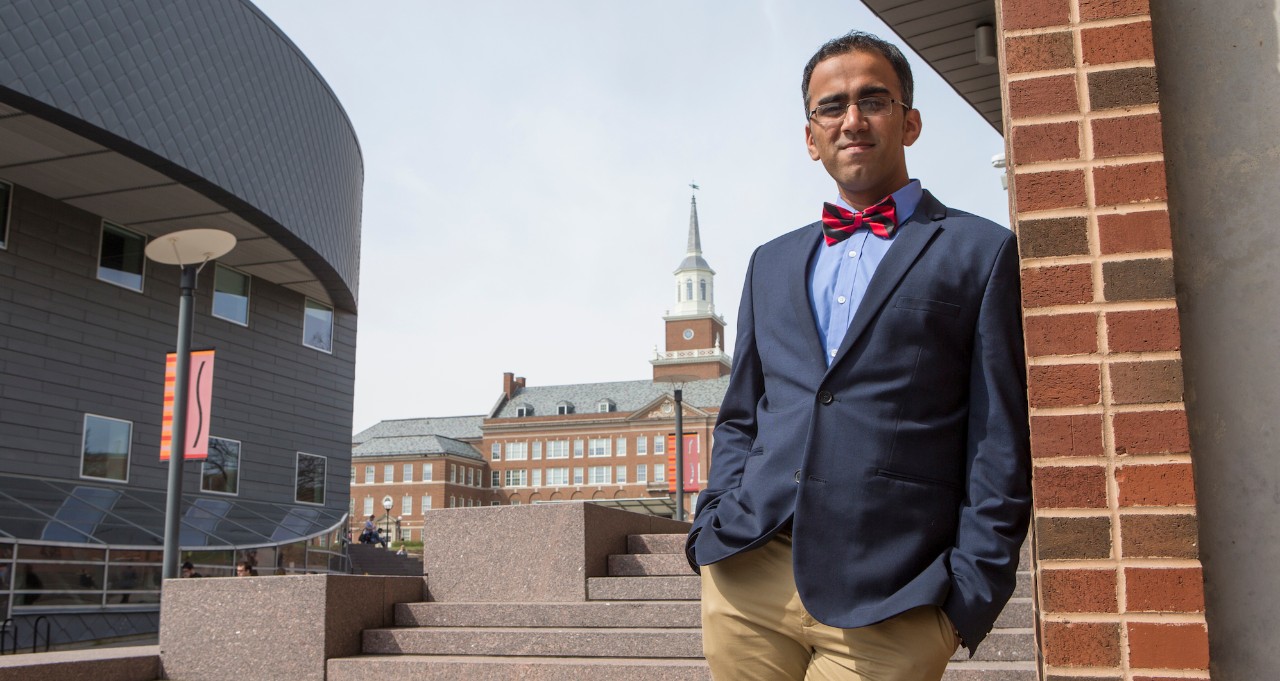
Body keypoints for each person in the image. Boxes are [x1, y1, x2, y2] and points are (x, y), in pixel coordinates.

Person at [685, 31, 1031, 680]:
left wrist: (970, 595)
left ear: (910, 122)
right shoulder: (770, 262)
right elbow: (742, 415)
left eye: (873, 100)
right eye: (831, 106)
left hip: (892, 594)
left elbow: (999, 439)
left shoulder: (979, 252)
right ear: (810, 137)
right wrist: (712, 523)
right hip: (747, 576)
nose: (852, 119)